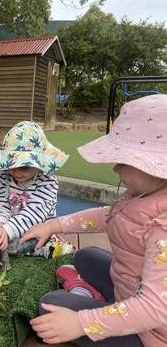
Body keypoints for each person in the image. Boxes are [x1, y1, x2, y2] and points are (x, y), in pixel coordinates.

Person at [21, 94, 167, 346]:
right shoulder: (143, 193)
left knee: (52, 306)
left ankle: (104, 310)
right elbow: (106, 216)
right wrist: (53, 225)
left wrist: (80, 322)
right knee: (84, 256)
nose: (115, 169)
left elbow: (154, 308)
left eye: (122, 161)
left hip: (151, 331)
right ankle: (106, 304)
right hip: (131, 286)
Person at [0, 121, 70, 256]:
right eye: (12, 166)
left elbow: (34, 214)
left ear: (39, 163)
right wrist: (0, 224)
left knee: (39, 244)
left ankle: (52, 247)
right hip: (9, 227)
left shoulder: (48, 182)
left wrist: (7, 230)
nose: (17, 173)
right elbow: (0, 204)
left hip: (38, 229)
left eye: (24, 167)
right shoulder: (2, 177)